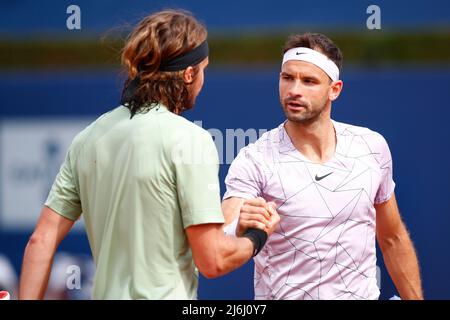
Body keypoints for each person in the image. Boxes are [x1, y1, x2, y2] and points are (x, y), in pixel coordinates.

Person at [19, 9, 279, 300]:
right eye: (203, 69)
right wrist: (257, 236)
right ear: (189, 73)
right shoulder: (190, 140)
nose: (203, 80)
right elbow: (213, 260)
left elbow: (40, 240)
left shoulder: (87, 138)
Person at [222, 33, 423, 300]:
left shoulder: (372, 147)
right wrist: (238, 227)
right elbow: (222, 241)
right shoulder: (254, 159)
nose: (294, 90)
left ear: (334, 89)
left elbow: (393, 238)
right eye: (287, 78)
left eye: (309, 81)